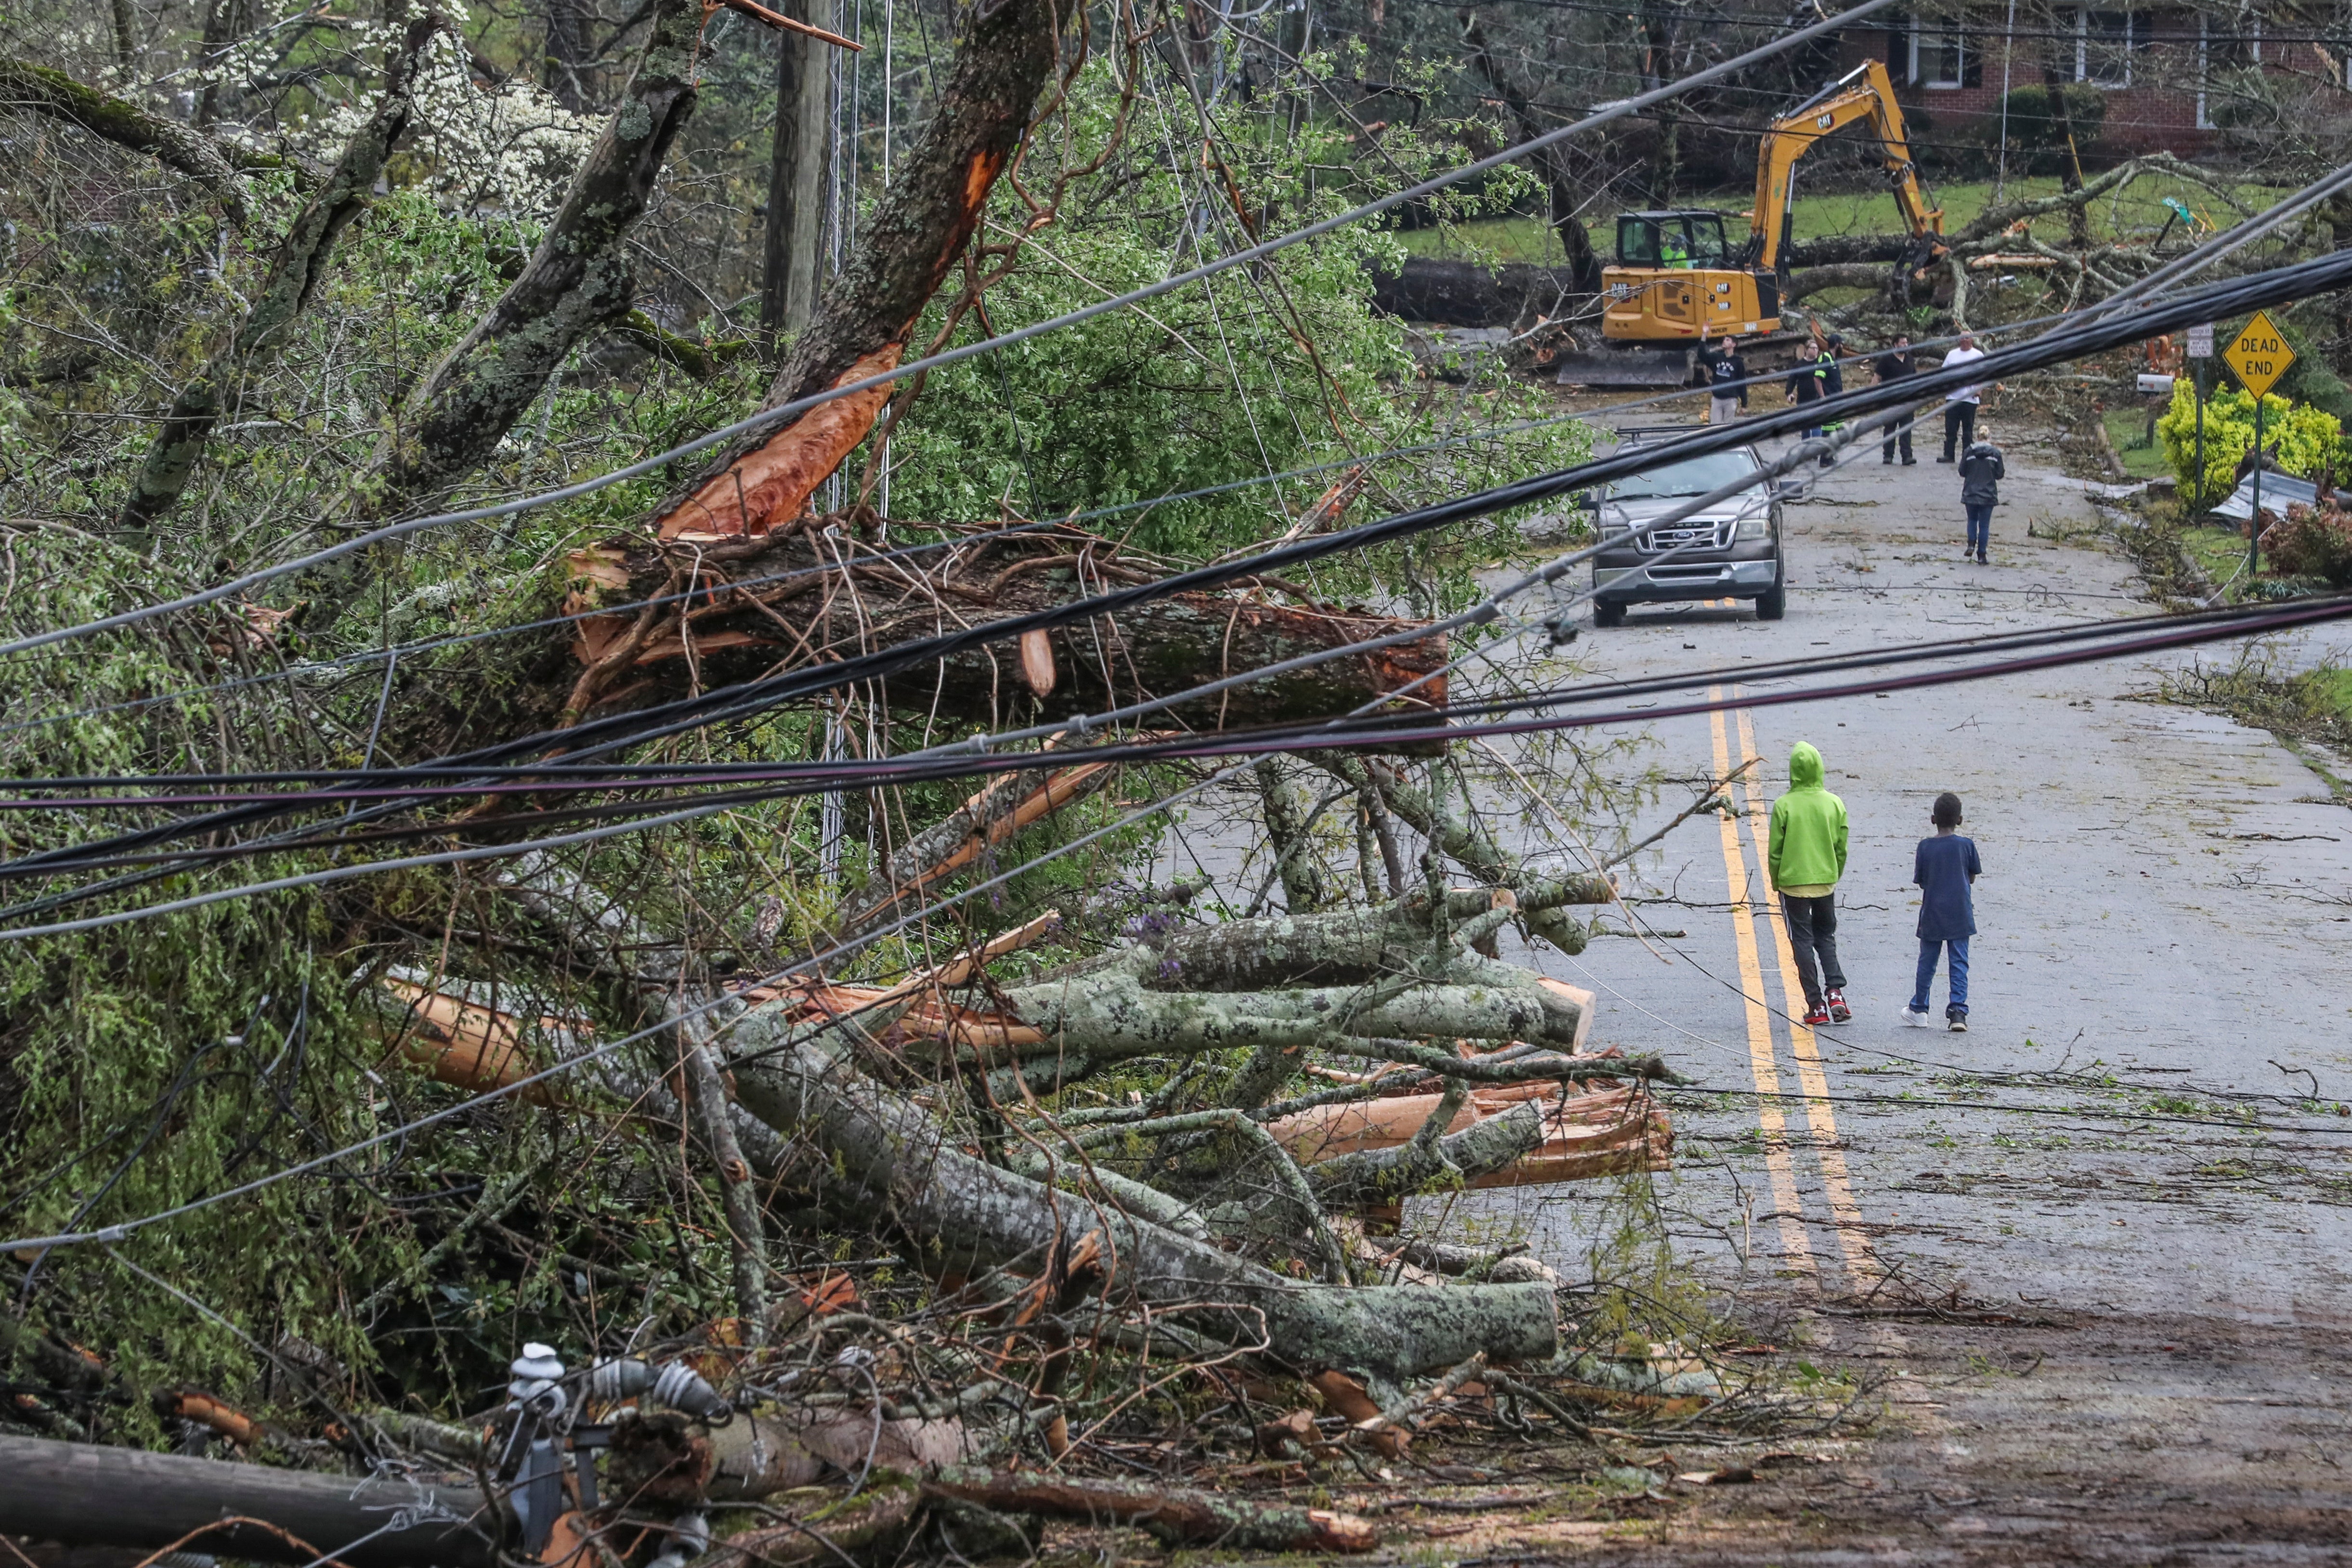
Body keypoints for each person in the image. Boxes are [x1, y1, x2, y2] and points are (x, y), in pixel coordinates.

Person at [1766, 741, 1851, 1027]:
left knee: (1801, 940)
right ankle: (1836, 991)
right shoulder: (1834, 803)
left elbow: (1775, 851)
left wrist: (1776, 880)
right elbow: (1842, 846)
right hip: (1825, 882)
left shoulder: (1783, 805)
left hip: (1794, 886)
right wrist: (1834, 872)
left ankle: (1816, 1004)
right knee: (1826, 937)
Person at [1904, 792, 1982, 1032]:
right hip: (1960, 913)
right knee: (1959, 962)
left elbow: (1923, 881)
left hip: (1932, 914)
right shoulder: (1967, 846)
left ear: (1933, 819)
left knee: (1927, 962)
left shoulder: (1925, 847)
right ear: (1960, 820)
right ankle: (1958, 1012)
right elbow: (1971, 877)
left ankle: (1919, 1009)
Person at [1937, 330, 1988, 461]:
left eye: (1967, 338)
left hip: (1970, 399)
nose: (1965, 341)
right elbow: (1943, 374)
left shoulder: (1978, 355)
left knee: (1968, 430)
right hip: (1953, 397)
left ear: (1972, 340)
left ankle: (1967, 456)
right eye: (1962, 339)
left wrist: (1979, 389)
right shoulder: (1952, 355)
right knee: (1951, 429)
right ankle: (1949, 455)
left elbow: (1984, 374)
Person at [1960, 424, 2004, 564]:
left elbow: (1962, 471)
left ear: (1977, 437)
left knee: (1972, 520)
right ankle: (1982, 555)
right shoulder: (1996, 454)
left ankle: (1971, 544)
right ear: (1989, 437)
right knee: (1984, 526)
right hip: (1988, 494)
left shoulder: (1969, 452)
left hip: (1971, 492)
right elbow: (1999, 474)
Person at [1874, 334, 1918, 465]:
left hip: (1907, 400)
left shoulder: (1910, 359)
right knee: (1890, 429)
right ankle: (1888, 455)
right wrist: (1871, 396)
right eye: (1902, 343)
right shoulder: (1886, 360)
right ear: (1895, 344)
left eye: (1906, 343)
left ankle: (1907, 456)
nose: (1905, 345)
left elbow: (1915, 378)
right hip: (1890, 400)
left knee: (1906, 429)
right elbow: (1877, 378)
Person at [1785, 331, 1829, 453]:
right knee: (1805, 427)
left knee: (1816, 425)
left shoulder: (1820, 363)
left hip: (1817, 398)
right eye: (1813, 348)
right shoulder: (1799, 365)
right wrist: (1789, 393)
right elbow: (1792, 380)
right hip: (1803, 399)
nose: (1815, 351)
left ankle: (1816, 450)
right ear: (1806, 349)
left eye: (1817, 348)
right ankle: (1806, 449)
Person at [1702, 335, 1749, 424]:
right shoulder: (1717, 358)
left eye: (1728, 340)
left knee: (1727, 427)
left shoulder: (1738, 362)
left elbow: (1742, 383)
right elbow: (1702, 355)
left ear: (1734, 344)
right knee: (1714, 427)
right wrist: (1704, 336)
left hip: (1730, 400)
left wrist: (1744, 405)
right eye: (1724, 340)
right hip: (1717, 399)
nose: (1724, 341)